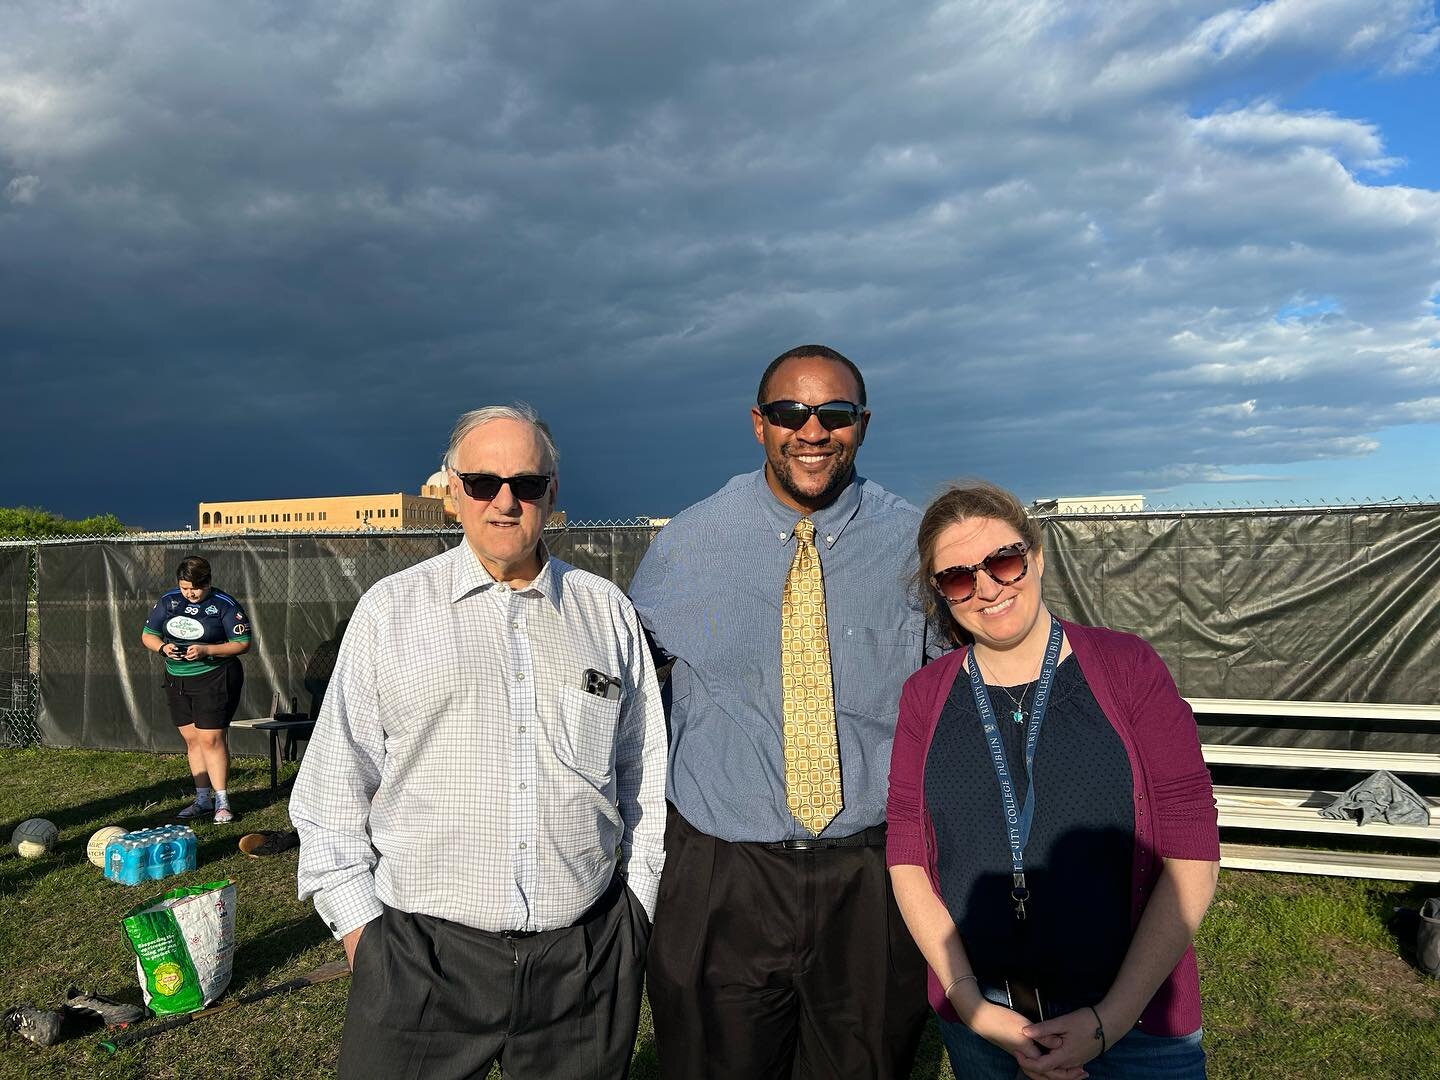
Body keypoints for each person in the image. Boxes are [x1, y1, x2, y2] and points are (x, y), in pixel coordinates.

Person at [290, 404, 667, 1080]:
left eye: (525, 484)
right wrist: (364, 938)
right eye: (482, 482)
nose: (503, 501)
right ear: (451, 491)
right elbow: (332, 787)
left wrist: (635, 909)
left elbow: (644, 772)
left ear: (552, 493)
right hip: (419, 958)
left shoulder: (604, 611)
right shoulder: (391, 611)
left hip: (582, 961)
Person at [629, 344, 933, 1080]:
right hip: (724, 873)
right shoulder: (689, 545)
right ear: (758, 423)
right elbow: (626, 682)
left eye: (835, 414)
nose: (813, 431)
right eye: (791, 413)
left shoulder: (915, 545)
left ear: (862, 424)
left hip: (869, 873)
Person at [886, 481, 1220, 1080]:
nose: (987, 587)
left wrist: (1110, 1020)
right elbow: (907, 853)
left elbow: (1190, 841)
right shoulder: (924, 697)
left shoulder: (1128, 667)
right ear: (942, 594)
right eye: (960, 577)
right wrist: (970, 1003)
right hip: (987, 1025)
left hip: (1134, 1025)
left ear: (1035, 556)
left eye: (1003, 562)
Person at [142, 555, 251, 824]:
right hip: (177, 679)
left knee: (211, 740)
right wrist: (163, 648)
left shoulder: (224, 605)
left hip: (214, 678)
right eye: (184, 588)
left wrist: (206, 650)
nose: (190, 593)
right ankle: (202, 799)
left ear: (208, 582)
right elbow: (148, 635)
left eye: (196, 588)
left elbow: (242, 642)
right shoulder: (169, 601)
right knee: (192, 740)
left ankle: (222, 801)